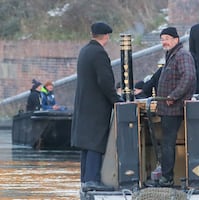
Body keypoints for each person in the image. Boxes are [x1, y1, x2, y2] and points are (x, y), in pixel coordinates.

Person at [71, 22, 122, 192]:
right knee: (96, 142)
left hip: (84, 105)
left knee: (87, 144)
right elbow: (105, 81)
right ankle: (92, 180)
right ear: (106, 36)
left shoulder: (85, 51)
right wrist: (117, 100)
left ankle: (86, 179)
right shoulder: (99, 53)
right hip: (96, 107)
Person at [157, 27, 196, 187]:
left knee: (168, 143)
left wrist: (173, 95)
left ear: (176, 40)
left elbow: (188, 76)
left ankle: (167, 177)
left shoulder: (181, 55)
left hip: (173, 108)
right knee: (166, 142)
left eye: (166, 38)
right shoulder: (172, 55)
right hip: (167, 109)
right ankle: (166, 175)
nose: (164, 42)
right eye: (162, 39)